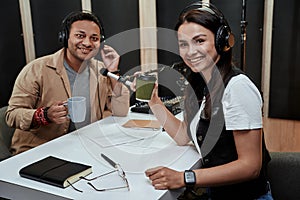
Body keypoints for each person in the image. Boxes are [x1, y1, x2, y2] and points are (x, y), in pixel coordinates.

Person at [144, 2, 273, 200]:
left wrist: (184, 177)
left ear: (222, 41)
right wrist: (154, 103)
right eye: (183, 44)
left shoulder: (237, 87)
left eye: (199, 41)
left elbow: (251, 166)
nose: (190, 51)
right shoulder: (200, 84)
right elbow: (183, 137)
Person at [6, 11, 130, 155]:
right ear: (65, 37)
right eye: (80, 35)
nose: (87, 43)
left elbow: (121, 111)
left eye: (94, 38)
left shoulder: (101, 70)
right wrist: (44, 115)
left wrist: (113, 71)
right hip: (40, 150)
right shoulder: (37, 69)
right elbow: (12, 115)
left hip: (83, 146)